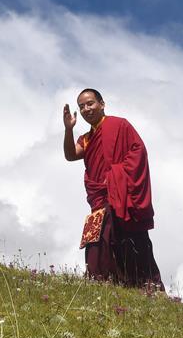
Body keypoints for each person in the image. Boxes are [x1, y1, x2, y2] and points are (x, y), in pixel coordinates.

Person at [63, 88, 163, 291]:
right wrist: (68, 129)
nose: (86, 109)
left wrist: (116, 176)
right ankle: (101, 284)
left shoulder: (119, 125)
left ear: (102, 104)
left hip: (120, 193)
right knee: (97, 241)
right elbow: (71, 155)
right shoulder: (87, 138)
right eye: (81, 106)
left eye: (90, 103)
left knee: (131, 239)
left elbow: (138, 151)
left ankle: (145, 286)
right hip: (99, 197)